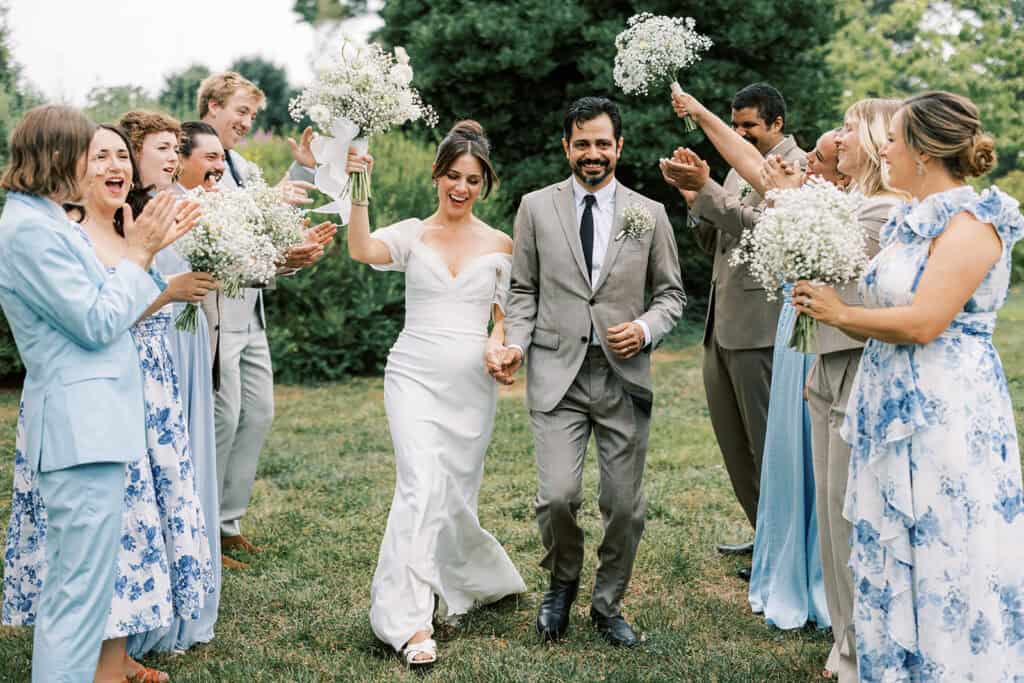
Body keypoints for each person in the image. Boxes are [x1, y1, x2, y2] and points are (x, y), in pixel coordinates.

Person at [794, 91, 1024, 681]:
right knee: (891, 540)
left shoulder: (975, 223)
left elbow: (924, 321)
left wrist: (836, 312)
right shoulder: (907, 220)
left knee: (944, 546)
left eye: (893, 139)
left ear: (923, 151)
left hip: (945, 409)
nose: (884, 149)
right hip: (889, 398)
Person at [0, 105, 190, 683]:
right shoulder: (28, 231)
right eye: (86, 151)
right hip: (79, 432)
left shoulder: (48, 220)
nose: (96, 162)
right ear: (59, 156)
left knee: (82, 594)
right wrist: (138, 255)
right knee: (77, 602)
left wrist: (144, 256)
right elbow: (95, 321)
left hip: (97, 427)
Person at [497, 97, 686, 647]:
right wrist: (513, 342)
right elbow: (523, 289)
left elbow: (671, 294)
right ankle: (561, 583)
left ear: (619, 146)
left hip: (624, 377)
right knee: (557, 496)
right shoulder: (535, 207)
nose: (593, 154)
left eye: (603, 143)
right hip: (557, 373)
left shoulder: (648, 213)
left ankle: (607, 603)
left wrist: (647, 328)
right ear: (567, 147)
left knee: (624, 506)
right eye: (582, 144)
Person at [345, 120, 526, 666]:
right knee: (419, 486)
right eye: (452, 175)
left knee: (452, 497)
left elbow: (505, 319)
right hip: (413, 375)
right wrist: (358, 187)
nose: (461, 188)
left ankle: (476, 575)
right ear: (436, 175)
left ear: (484, 183)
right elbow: (360, 248)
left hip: (470, 386)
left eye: (472, 179)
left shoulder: (500, 244)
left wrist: (502, 349)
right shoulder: (411, 234)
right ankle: (408, 622)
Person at [657, 84, 803, 565]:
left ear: (776, 124)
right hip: (721, 322)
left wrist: (708, 190)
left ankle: (786, 547)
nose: (739, 134)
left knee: (767, 444)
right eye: (734, 125)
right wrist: (691, 194)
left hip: (760, 325)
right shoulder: (738, 168)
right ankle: (765, 532)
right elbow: (715, 241)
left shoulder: (793, 168)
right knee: (734, 443)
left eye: (749, 127)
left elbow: (762, 232)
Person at [195, 71, 332, 564]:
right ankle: (202, 531)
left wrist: (303, 176)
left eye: (252, 114)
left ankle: (229, 523)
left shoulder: (246, 168)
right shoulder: (196, 165)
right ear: (211, 107)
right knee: (223, 418)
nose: (248, 122)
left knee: (259, 413)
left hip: (251, 311)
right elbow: (231, 223)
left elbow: (268, 222)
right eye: (240, 111)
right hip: (214, 313)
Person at [119, 110, 224, 654]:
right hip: (139, 354)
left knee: (185, 471)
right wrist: (170, 289)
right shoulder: (120, 216)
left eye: (173, 146)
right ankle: (146, 610)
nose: (169, 155)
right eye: (160, 146)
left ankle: (187, 598)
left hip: (179, 344)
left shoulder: (181, 207)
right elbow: (118, 300)